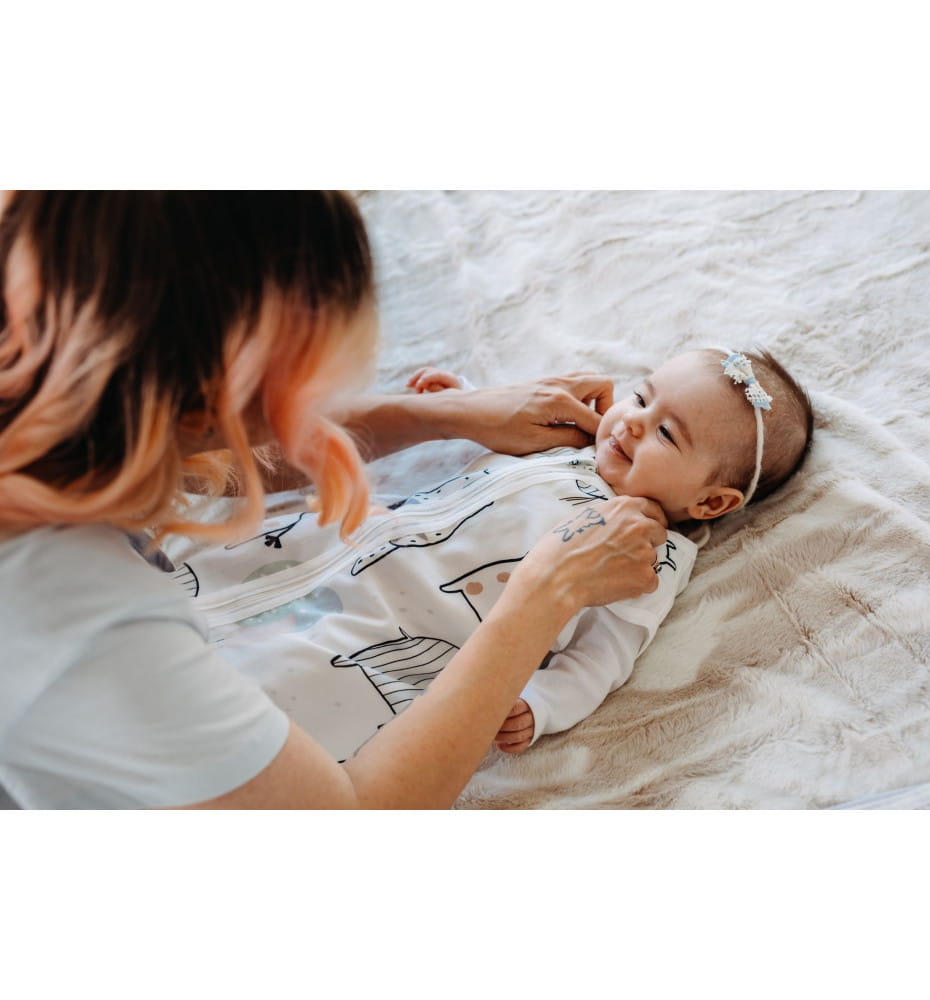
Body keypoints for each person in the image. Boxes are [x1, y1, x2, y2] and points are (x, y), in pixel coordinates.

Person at [0, 190, 667, 810]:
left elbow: (198, 454)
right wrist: (545, 595)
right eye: (301, 391)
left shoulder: (63, 394)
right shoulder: (76, 617)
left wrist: (447, 414)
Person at [187, 347, 812, 761]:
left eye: (667, 434)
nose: (632, 423)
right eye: (643, 398)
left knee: (275, 690)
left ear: (711, 502)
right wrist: (463, 399)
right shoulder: (571, 447)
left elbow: (604, 658)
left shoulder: (649, 554)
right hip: (336, 549)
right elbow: (490, 452)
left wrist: (543, 704)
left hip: (394, 628)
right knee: (211, 584)